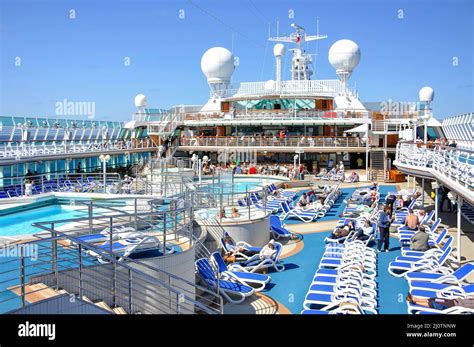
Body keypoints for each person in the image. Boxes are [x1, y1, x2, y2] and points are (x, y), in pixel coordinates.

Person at [406, 293, 474, 311]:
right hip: (453, 301)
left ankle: (415, 301)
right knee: (435, 299)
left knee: (435, 304)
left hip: (453, 305)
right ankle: (416, 299)